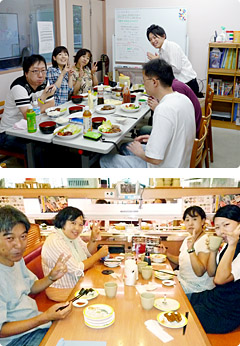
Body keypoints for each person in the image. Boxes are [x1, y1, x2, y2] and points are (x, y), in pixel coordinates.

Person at [100, 59, 195, 168]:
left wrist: (139, 152)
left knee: (106, 159)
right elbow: (177, 133)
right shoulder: (184, 99)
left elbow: (155, 159)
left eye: (144, 80)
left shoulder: (163, 109)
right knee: (125, 147)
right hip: (180, 158)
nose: (143, 84)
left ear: (155, 82)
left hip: (164, 168)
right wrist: (153, 138)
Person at [0, 206, 72, 346]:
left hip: (37, 323)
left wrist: (52, 277)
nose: (19, 245)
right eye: (10, 238)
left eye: (23, 237)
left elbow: (31, 287)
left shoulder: (16, 260)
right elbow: (1, 330)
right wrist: (44, 317)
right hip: (18, 339)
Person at [190, 205, 240, 334]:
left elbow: (219, 280)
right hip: (215, 298)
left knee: (185, 316)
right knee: (183, 300)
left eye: (226, 224)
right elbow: (212, 272)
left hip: (227, 311)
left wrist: (232, 245)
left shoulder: (233, 246)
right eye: (217, 227)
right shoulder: (227, 245)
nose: (221, 231)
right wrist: (213, 250)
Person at [41, 207, 109, 302]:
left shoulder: (72, 237)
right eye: (73, 223)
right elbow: (77, 268)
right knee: (102, 297)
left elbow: (87, 252)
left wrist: (93, 238)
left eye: (80, 224)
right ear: (62, 222)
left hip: (77, 282)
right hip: (60, 290)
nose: (77, 228)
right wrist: (98, 255)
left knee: (104, 284)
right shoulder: (56, 241)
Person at [0, 54, 56, 154]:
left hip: (32, 128)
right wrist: (43, 98)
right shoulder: (19, 87)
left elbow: (51, 104)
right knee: (38, 149)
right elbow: (29, 116)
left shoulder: (44, 82)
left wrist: (37, 109)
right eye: (35, 71)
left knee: (54, 143)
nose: (40, 75)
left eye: (43, 70)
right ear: (26, 73)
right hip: (9, 133)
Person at [160, 206, 214, 297]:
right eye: (187, 220)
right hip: (182, 281)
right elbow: (182, 261)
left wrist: (191, 249)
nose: (190, 223)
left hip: (196, 290)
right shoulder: (188, 239)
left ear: (203, 221)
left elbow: (199, 272)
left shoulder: (206, 241)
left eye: (194, 219)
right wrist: (166, 254)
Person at [146, 24, 202, 97]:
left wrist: (159, 61)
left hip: (188, 83)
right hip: (179, 84)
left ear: (163, 36)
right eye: (150, 39)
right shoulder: (162, 50)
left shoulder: (171, 47)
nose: (153, 41)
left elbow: (176, 69)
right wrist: (159, 59)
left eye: (155, 37)